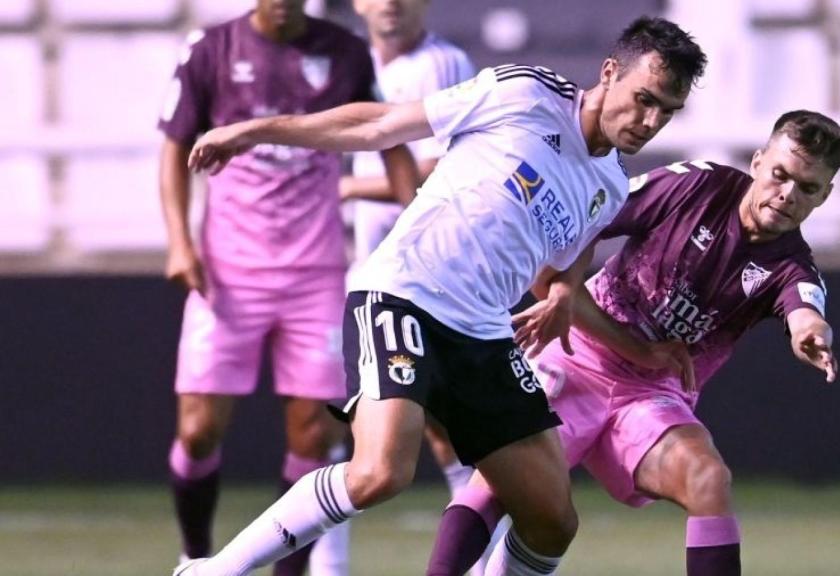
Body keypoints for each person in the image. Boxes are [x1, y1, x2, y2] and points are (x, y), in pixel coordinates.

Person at [175, 16, 707, 576]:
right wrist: (255, 130)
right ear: (609, 72)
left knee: (553, 519)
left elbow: (562, 270)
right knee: (379, 472)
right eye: (643, 99)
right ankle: (216, 569)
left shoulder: (610, 186)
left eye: (666, 110)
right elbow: (381, 125)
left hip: (483, 334)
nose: (650, 121)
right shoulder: (524, 92)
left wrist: (578, 306)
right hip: (404, 295)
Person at [425, 109, 840, 576]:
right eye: (780, 174)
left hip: (651, 395)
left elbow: (805, 310)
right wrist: (566, 290)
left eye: (807, 188)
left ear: (824, 195)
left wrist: (811, 333)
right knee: (497, 484)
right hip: (577, 355)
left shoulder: (792, 265)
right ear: (757, 161)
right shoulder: (695, 185)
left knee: (708, 479)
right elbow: (592, 218)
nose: (787, 194)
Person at [157, 1, 417, 575]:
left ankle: (286, 572)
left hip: (314, 276)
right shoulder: (211, 51)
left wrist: (418, 226)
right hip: (228, 274)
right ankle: (194, 556)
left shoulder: (345, 53)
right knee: (198, 430)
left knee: (311, 433)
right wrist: (179, 241)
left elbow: (390, 138)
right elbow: (174, 147)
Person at [309, 0, 477, 573]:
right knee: (331, 425)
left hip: (422, 275)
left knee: (442, 429)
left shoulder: (441, 64)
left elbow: (438, 172)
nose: (391, 4)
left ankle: (480, 555)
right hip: (359, 271)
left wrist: (350, 188)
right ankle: (328, 567)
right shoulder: (346, 61)